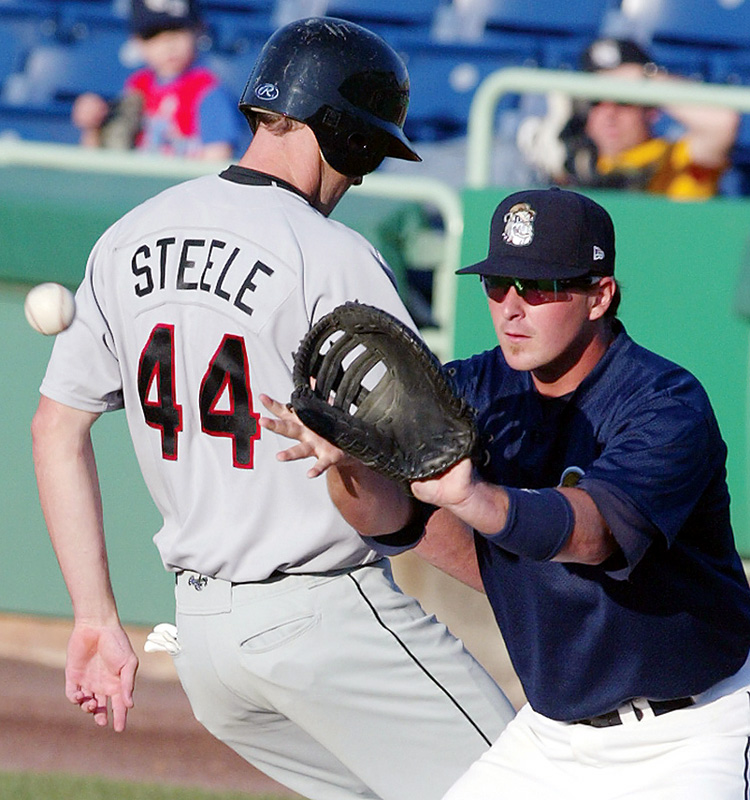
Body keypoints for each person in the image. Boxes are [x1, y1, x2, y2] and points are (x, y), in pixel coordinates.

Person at [31, 16, 515, 800]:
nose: (361, 176)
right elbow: (415, 477)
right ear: (346, 134)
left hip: (206, 651)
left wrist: (93, 617)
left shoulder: (127, 237)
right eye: (367, 151)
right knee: (531, 785)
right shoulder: (331, 255)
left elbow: (55, 428)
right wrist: (530, 590)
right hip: (324, 620)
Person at [263, 187, 750, 799]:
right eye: (498, 284)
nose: (511, 308)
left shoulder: (663, 403)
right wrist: (350, 463)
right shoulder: (471, 388)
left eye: (540, 287)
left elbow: (594, 535)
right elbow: (393, 524)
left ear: (600, 295)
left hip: (694, 730)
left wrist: (475, 498)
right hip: (552, 735)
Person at [518, 38, 739, 200]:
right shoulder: (569, 158)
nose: (609, 113)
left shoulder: (676, 159)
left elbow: (723, 124)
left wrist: (645, 79)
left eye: (623, 100)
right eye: (595, 101)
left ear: (651, 109)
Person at [71, 0, 242, 159]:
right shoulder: (137, 88)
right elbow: (100, 163)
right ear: (137, 41)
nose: (167, 43)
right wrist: (92, 127)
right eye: (152, 34)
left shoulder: (209, 92)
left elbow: (215, 165)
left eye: (176, 29)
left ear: (198, 29)